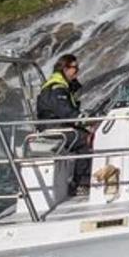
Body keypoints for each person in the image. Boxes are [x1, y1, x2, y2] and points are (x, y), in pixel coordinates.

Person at [35, 54, 92, 196]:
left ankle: (80, 179)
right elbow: (66, 112)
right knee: (86, 139)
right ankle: (81, 184)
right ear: (65, 68)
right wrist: (83, 119)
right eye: (75, 68)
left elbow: (69, 111)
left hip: (58, 126)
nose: (77, 71)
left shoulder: (61, 86)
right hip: (53, 129)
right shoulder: (57, 88)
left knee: (83, 133)